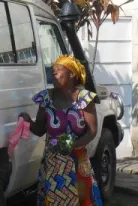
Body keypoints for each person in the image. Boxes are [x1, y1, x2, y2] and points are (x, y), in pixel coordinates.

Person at [18, 55, 102, 205]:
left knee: (81, 200)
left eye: (58, 70)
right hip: (53, 166)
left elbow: (92, 131)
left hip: (77, 163)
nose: (53, 74)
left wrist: (73, 144)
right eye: (53, 71)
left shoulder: (84, 99)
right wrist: (28, 121)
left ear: (72, 74)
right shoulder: (46, 98)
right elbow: (39, 129)